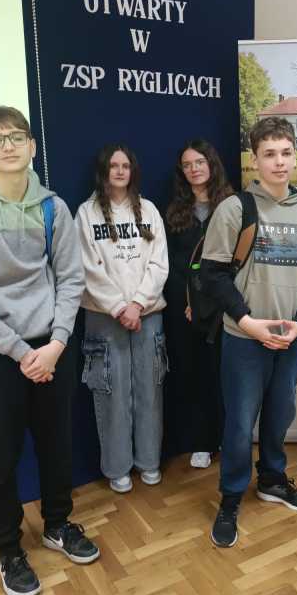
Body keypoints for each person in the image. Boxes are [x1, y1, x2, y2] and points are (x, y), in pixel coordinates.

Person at [0, 105, 99, 595]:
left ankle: (57, 524)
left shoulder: (54, 207)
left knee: (56, 445)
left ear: (32, 145)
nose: (8, 146)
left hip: (51, 349)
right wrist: (19, 352)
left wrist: (55, 344)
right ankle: (9, 548)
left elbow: (71, 280)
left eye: (16, 136)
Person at [201, 117, 297, 548]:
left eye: (286, 152)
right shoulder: (234, 209)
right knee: (240, 424)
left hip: (289, 337)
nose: (279, 162)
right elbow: (213, 275)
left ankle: (272, 479)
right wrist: (249, 322)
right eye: (269, 154)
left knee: (279, 415)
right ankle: (231, 496)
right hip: (244, 338)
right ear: (254, 160)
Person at [76, 144, 169, 494]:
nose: (119, 171)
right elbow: (87, 267)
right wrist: (119, 307)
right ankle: (117, 467)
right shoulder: (86, 214)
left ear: (132, 171)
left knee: (150, 389)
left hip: (148, 314)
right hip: (105, 317)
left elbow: (159, 263)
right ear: (103, 170)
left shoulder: (149, 210)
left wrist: (138, 304)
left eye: (125, 165)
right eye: (113, 165)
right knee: (111, 392)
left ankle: (149, 461)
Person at [163, 139, 233, 468]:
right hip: (187, 310)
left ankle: (227, 437)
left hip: (224, 308)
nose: (194, 169)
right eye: (187, 164)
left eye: (199, 162)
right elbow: (173, 264)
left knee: (225, 375)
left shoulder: (232, 205)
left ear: (211, 164)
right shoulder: (175, 211)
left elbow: (238, 261)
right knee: (193, 374)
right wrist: (189, 301)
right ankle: (201, 442)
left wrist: (216, 302)